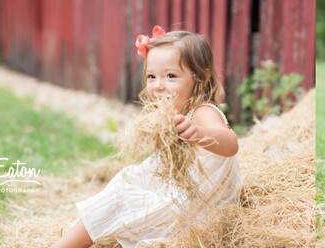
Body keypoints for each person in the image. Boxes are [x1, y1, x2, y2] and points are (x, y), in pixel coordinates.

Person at [51, 26, 242, 247]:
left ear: (200, 76)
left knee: (121, 199)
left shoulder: (203, 111)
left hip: (198, 209)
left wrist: (198, 132)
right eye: (151, 76)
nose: (158, 86)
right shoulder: (173, 115)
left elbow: (230, 144)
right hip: (180, 198)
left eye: (170, 76)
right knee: (129, 178)